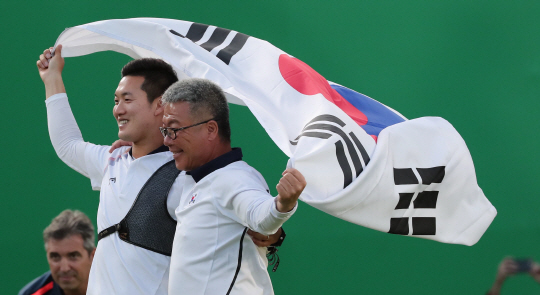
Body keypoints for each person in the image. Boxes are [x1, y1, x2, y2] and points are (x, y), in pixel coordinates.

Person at [36, 46, 283, 295]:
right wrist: (52, 78)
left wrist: (274, 234)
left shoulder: (186, 176)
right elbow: (67, 145)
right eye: (116, 100)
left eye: (127, 100)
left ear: (160, 106)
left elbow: (240, 219)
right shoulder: (112, 159)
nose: (118, 109)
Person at [161, 78, 306, 294]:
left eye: (173, 130)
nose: (167, 140)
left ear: (211, 130)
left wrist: (283, 204)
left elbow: (261, 218)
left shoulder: (235, 178)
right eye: (165, 131)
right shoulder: (193, 178)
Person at [19, 210, 95, 295]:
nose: (64, 268)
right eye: (55, 257)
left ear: (92, 256)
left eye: (73, 256)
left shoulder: (111, 287)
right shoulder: (32, 293)